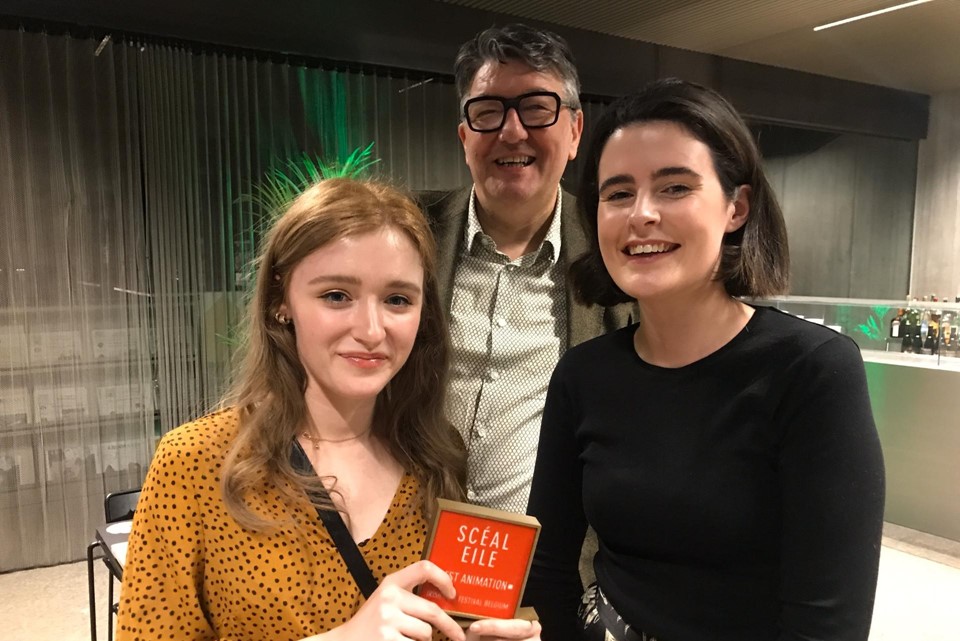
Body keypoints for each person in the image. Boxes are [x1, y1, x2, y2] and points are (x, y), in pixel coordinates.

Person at [524, 79, 886, 641]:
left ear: (736, 207)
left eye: (673, 188)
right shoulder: (584, 375)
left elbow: (827, 620)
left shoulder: (811, 370)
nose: (641, 214)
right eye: (617, 194)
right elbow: (548, 570)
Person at [116, 178, 542, 641]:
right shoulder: (196, 463)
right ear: (282, 302)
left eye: (398, 299)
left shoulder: (436, 457)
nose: (371, 329)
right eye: (336, 295)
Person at [417, 23, 634, 518]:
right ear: (464, 136)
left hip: (545, 571)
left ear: (575, 131)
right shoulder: (407, 234)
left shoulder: (618, 255)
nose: (511, 132)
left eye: (537, 109)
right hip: (401, 553)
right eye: (488, 111)